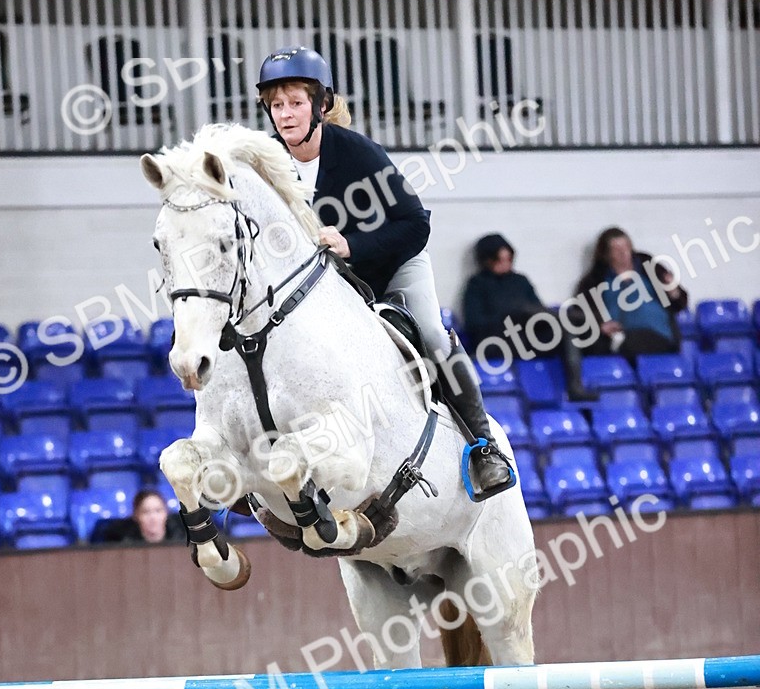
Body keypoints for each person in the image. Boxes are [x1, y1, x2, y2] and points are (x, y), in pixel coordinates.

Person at [256, 45, 515, 498]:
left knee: (431, 334)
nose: (285, 114)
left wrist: (351, 244)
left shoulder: (358, 153)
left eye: (295, 102)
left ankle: (483, 446)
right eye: (276, 105)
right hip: (331, 284)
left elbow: (415, 224)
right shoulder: (267, 162)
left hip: (394, 264)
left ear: (320, 105)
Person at [462, 233, 598, 401]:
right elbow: (474, 323)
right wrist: (508, 317)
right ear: (487, 260)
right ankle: (571, 316)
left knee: (562, 328)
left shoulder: (520, 281)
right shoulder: (476, 284)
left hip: (528, 335)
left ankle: (576, 387)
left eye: (508, 259)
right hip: (498, 341)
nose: (505, 264)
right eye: (499, 260)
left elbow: (537, 308)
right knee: (526, 312)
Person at [574, 228, 688, 360]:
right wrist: (600, 324)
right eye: (617, 250)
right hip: (617, 336)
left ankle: (618, 346)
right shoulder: (595, 280)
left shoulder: (650, 268)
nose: (623, 253)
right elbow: (580, 313)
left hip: (657, 335)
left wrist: (674, 293)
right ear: (606, 254)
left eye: (626, 247)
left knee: (630, 342)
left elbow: (680, 302)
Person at [89, 489, 186, 545]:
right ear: (136, 516)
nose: (153, 517)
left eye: (158, 511)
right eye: (146, 512)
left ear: (166, 513)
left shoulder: (183, 538)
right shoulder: (123, 542)